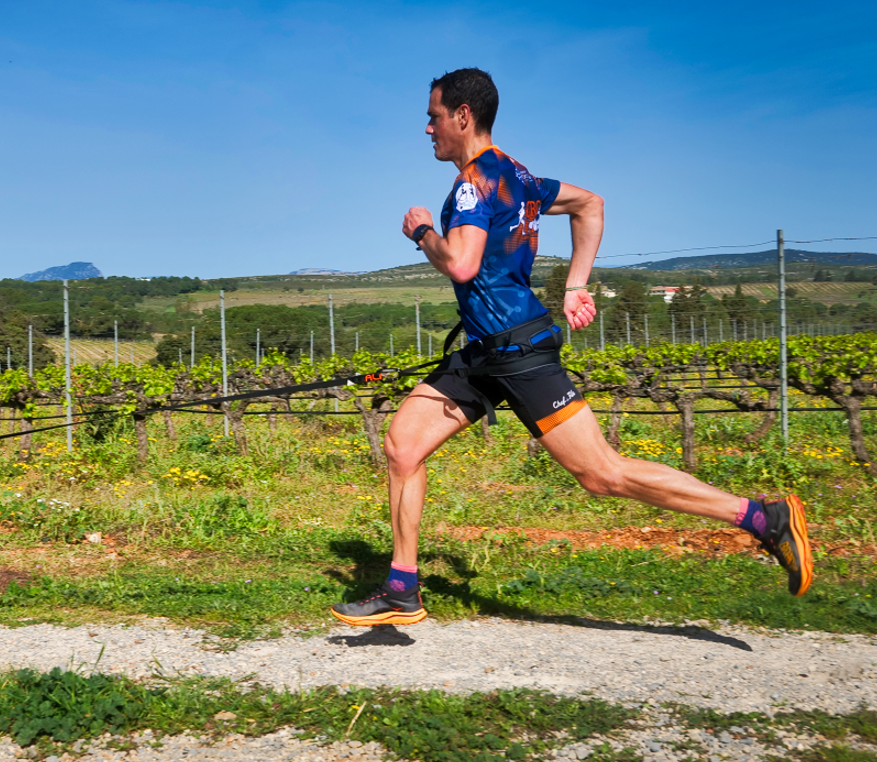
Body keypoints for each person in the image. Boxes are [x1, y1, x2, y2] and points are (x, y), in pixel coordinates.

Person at [329, 68, 813, 627]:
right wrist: (576, 283)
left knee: (602, 474)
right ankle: (402, 587)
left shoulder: (473, 183)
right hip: (483, 353)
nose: (428, 128)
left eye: (434, 116)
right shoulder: (515, 174)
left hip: (518, 351)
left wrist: (421, 233)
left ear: (463, 115)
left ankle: (762, 517)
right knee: (403, 446)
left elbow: (460, 262)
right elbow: (591, 204)